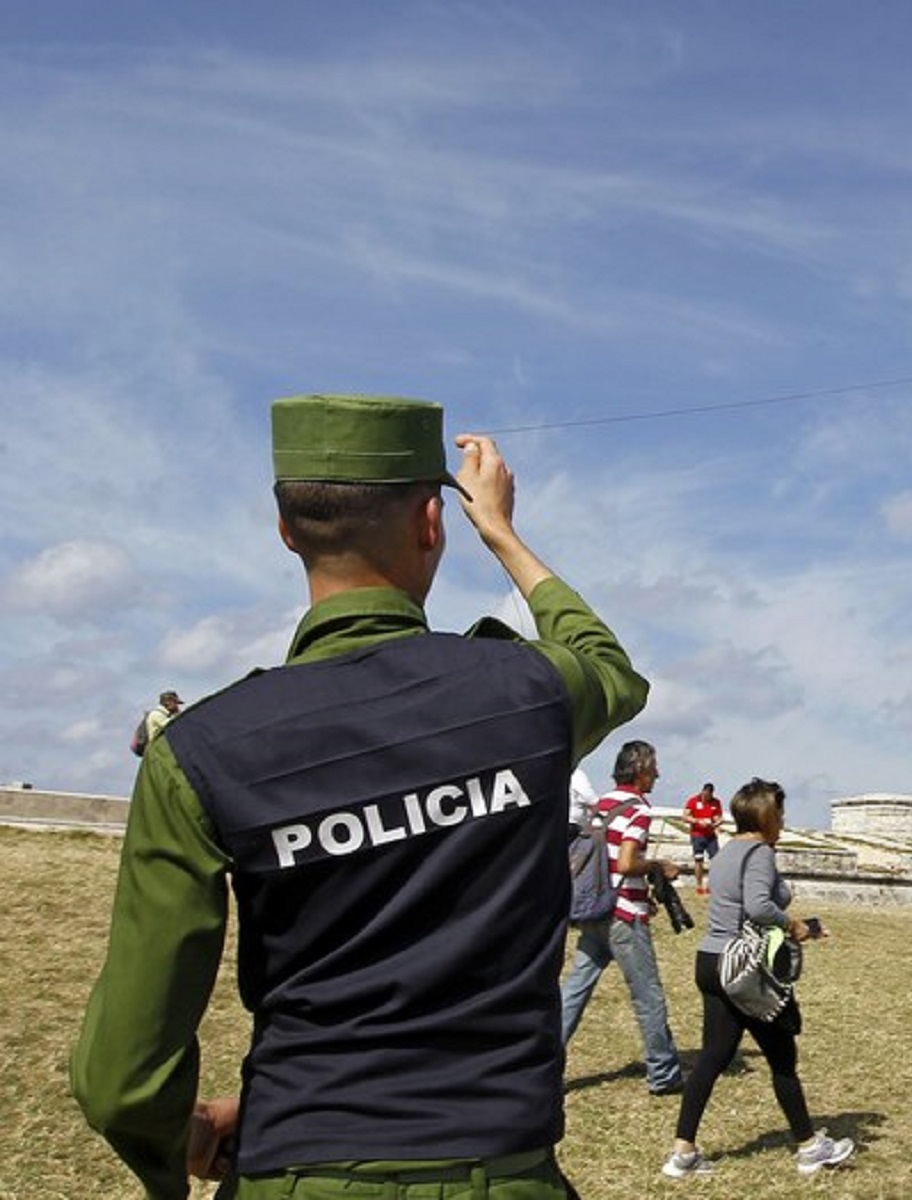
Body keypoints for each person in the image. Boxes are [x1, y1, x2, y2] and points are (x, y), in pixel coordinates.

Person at [71, 394, 648, 1199]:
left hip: (296, 1161)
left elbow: (124, 1069)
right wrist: (506, 534)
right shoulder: (527, 693)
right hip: (503, 1170)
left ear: (286, 533)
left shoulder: (201, 752)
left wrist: (185, 1138)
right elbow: (607, 665)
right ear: (431, 523)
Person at [663, 778, 853, 1179]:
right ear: (767, 815)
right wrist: (795, 924)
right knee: (782, 1058)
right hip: (743, 968)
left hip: (711, 961)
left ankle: (683, 1153)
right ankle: (809, 1147)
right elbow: (759, 906)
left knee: (712, 1059)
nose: (783, 820)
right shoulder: (760, 853)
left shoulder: (728, 850)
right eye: (780, 813)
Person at [559, 739, 687, 1095]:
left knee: (574, 990)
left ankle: (545, 1062)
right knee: (648, 995)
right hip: (624, 915)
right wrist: (661, 866)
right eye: (654, 767)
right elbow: (627, 862)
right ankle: (663, 1072)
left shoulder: (604, 804)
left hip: (595, 908)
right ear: (642, 768)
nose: (658, 774)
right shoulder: (638, 810)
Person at [685, 781, 723, 896]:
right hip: (697, 834)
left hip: (711, 835)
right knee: (698, 859)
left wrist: (717, 823)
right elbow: (685, 816)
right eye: (704, 795)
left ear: (712, 794)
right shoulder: (693, 800)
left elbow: (717, 817)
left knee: (716, 860)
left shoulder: (716, 803)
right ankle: (699, 885)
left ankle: (710, 885)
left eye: (708, 796)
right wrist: (697, 821)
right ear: (702, 792)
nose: (706, 797)